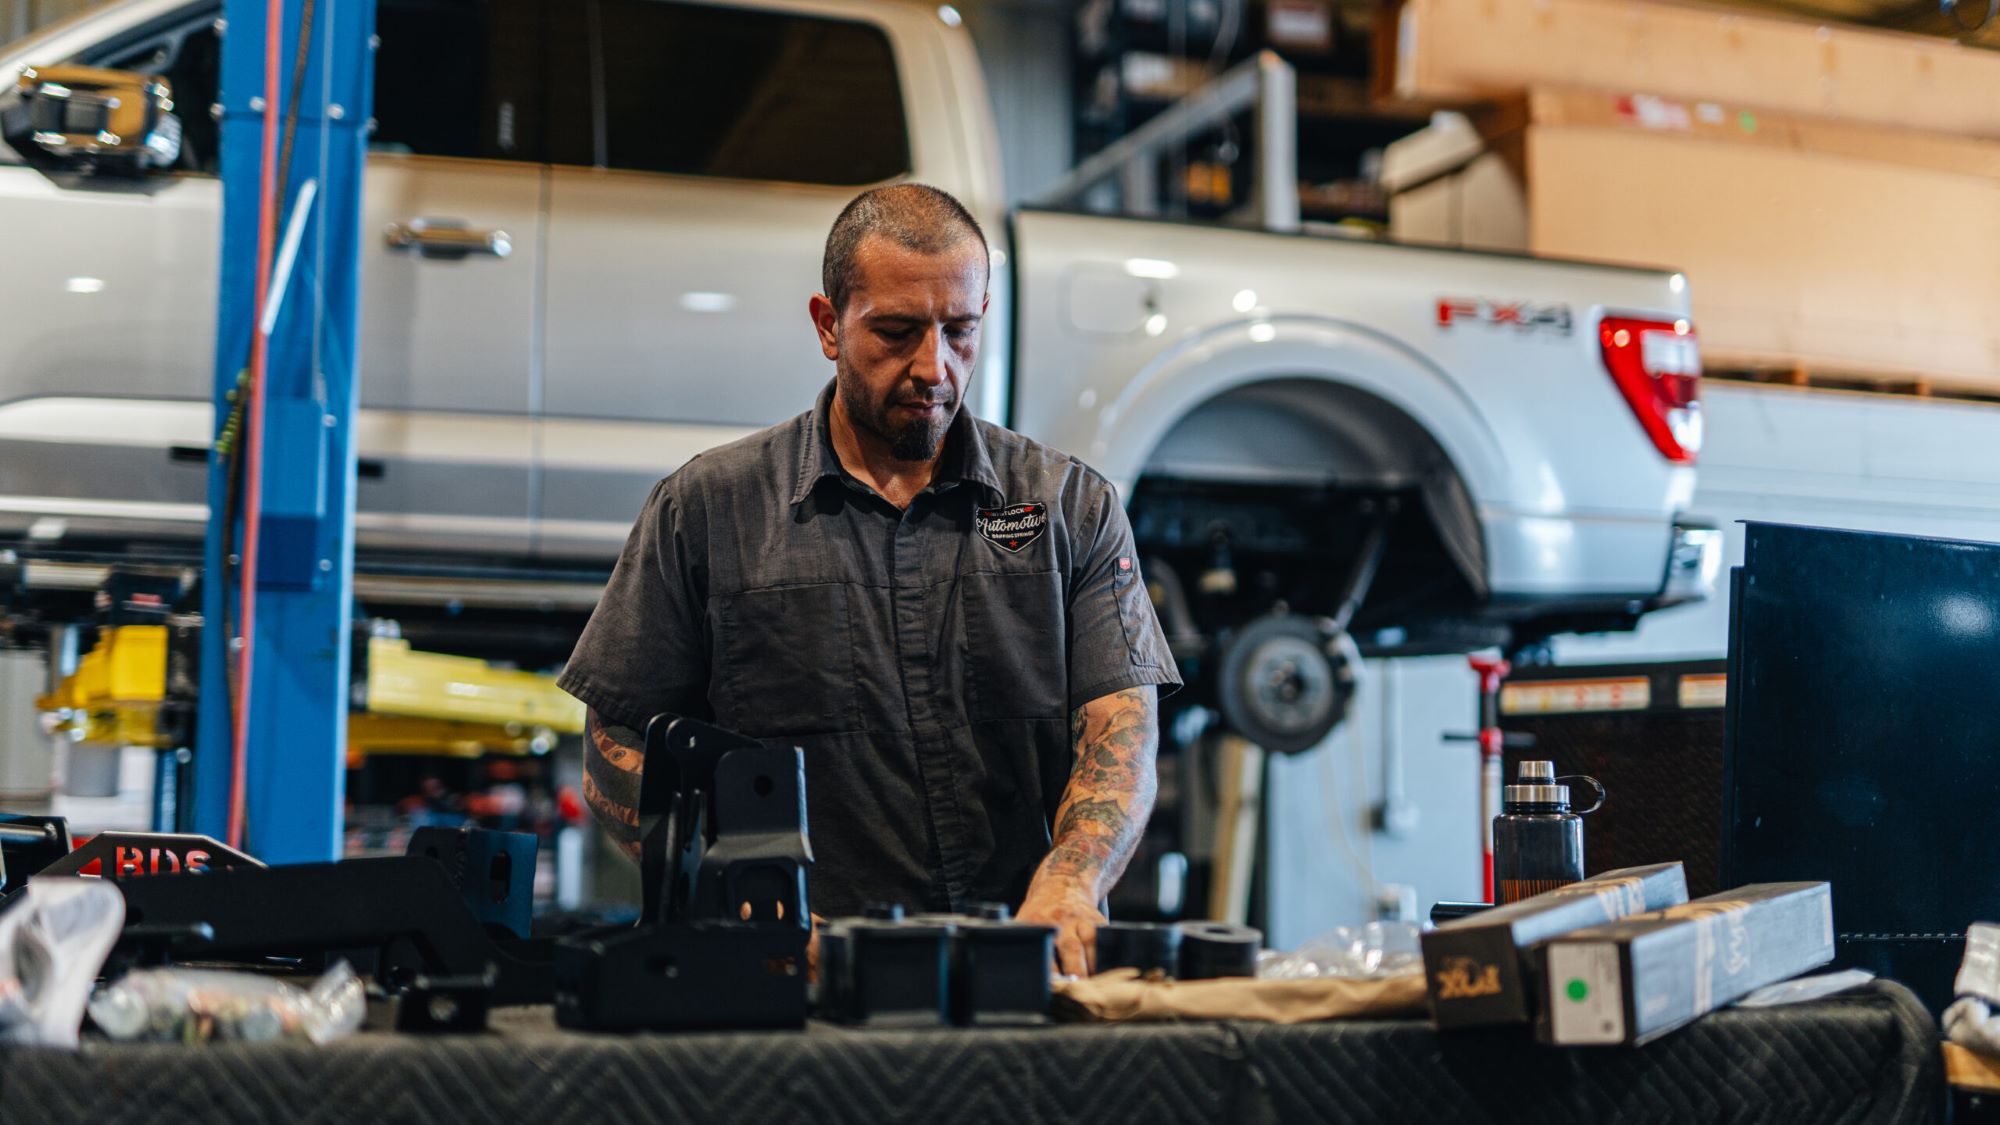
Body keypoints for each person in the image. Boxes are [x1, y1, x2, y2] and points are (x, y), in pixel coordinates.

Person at [557, 183, 1181, 975]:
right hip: (795, 991)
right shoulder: (708, 510)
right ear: (828, 325)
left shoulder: (1068, 507)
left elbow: (1122, 731)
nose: (934, 367)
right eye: (895, 332)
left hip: (1020, 979)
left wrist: (1070, 882)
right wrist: (745, 895)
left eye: (961, 330)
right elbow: (616, 740)